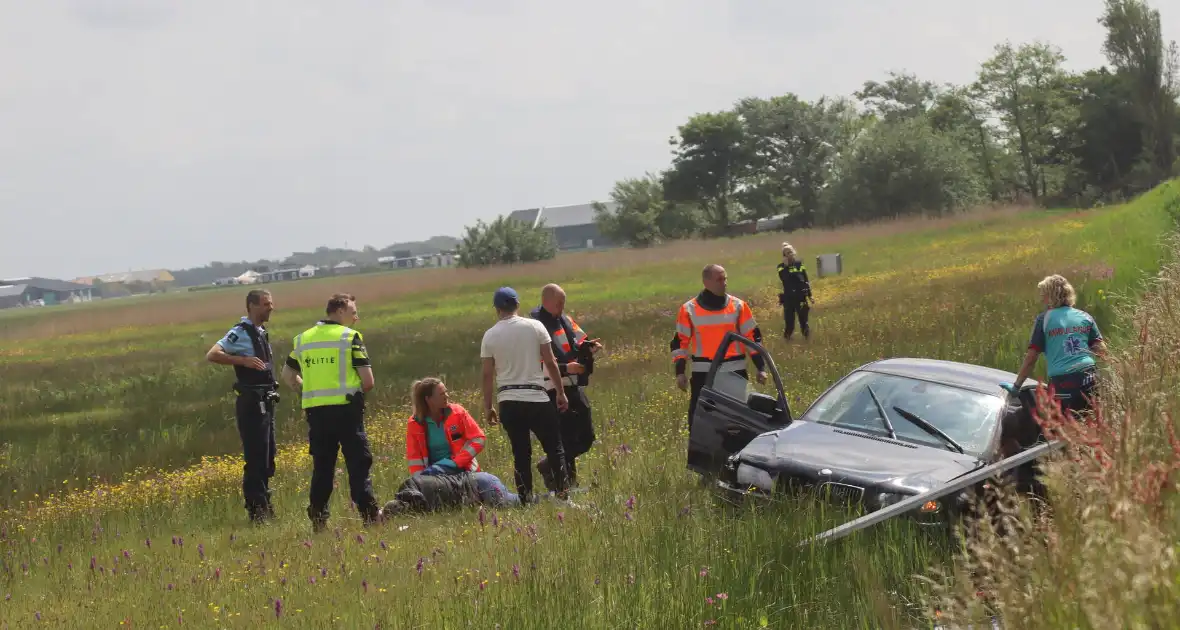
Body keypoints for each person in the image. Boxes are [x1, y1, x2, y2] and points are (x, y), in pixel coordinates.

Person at [280, 293, 381, 532]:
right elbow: (368, 381)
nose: (356, 317)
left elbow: (287, 376)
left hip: (317, 414)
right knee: (358, 464)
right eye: (353, 311)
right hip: (347, 411)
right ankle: (369, 516)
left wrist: (307, 390)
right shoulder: (350, 338)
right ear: (340, 311)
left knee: (323, 468)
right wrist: (356, 396)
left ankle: (318, 519)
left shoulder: (303, 339)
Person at [480, 286, 571, 504]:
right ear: (517, 305)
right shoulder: (535, 326)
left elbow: (486, 374)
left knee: (521, 455)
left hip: (508, 401)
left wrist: (488, 406)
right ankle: (562, 496)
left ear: (497, 309)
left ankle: (525, 500)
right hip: (537, 398)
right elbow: (550, 362)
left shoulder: (490, 335)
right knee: (554, 448)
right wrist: (560, 392)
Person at [205, 289, 280, 524]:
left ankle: (265, 504)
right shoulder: (241, 332)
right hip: (251, 403)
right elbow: (213, 354)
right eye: (266, 304)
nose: (271, 307)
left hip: (266, 401)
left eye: (271, 302)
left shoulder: (260, 332)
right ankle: (257, 512)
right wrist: (243, 360)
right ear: (252, 306)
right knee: (256, 457)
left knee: (268, 457)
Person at [671, 264, 768, 430]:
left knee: (740, 420)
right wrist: (680, 372)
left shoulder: (739, 306)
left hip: (735, 372)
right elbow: (680, 342)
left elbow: (752, 338)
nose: (724, 283)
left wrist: (761, 367)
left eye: (725, 279)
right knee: (700, 421)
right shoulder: (689, 309)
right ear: (706, 282)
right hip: (704, 375)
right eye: (719, 279)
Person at [529, 283, 604, 491]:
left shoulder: (565, 319)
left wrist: (590, 347)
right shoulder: (534, 326)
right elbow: (537, 363)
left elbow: (580, 340)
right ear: (546, 301)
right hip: (553, 388)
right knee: (565, 437)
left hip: (573, 386)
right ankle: (566, 483)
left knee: (586, 437)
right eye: (559, 303)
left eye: (563, 303)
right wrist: (566, 368)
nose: (562, 307)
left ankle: (549, 466)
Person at [403, 377, 521, 506]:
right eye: (442, 394)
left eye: (446, 392)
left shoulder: (457, 412)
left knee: (498, 500)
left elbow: (479, 439)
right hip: (436, 479)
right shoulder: (414, 424)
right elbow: (414, 460)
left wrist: (454, 463)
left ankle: (530, 498)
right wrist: (422, 483)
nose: (447, 396)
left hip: (465, 471)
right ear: (429, 400)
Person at [1004, 274, 1108, 419]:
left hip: (1064, 383)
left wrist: (1016, 387)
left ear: (1051, 296)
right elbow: (1102, 351)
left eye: (1044, 295)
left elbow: (1031, 358)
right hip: (1090, 377)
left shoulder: (1044, 319)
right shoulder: (1085, 316)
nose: (1042, 299)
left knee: (1068, 429)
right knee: (1093, 424)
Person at [777, 242, 813, 339]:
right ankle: (787, 341)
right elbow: (784, 278)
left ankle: (807, 340)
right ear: (784, 255)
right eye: (787, 253)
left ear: (794, 252)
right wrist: (786, 266)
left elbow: (805, 279)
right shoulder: (781, 267)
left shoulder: (799, 264)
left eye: (790, 252)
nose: (789, 254)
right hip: (789, 299)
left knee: (804, 322)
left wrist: (810, 295)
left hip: (801, 297)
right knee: (790, 324)